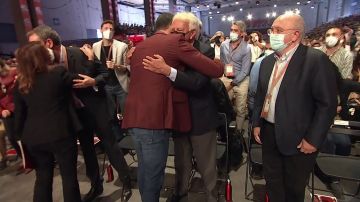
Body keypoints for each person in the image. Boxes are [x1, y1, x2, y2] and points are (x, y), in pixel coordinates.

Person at [122, 12, 223, 202]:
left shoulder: (205, 49)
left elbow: (197, 82)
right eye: (173, 30)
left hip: (199, 115)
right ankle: (180, 194)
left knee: (206, 165)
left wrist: (169, 71)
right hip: (174, 115)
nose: (175, 34)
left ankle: (212, 197)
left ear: (192, 33)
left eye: (179, 31)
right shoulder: (167, 45)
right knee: (179, 163)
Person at [27, 25, 132, 202]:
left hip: (96, 108)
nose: (30, 49)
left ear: (48, 42)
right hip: (73, 114)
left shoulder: (78, 53)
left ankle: (127, 179)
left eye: (33, 44)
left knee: (109, 144)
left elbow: (105, 73)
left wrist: (93, 81)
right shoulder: (42, 64)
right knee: (87, 150)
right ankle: (95, 185)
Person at [252, 14, 337, 202]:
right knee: (273, 185)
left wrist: (313, 139)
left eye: (278, 31)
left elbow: (327, 105)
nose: (272, 34)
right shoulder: (267, 62)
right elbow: (260, 97)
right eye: (271, 30)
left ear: (295, 35)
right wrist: (257, 123)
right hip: (269, 132)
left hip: (299, 139)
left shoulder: (315, 60)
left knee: (293, 190)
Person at [14, 42, 81, 202]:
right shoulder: (57, 73)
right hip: (61, 133)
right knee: (69, 177)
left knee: (43, 178)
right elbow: (79, 79)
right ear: (44, 56)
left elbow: (19, 114)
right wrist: (91, 60)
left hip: (34, 137)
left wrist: (18, 137)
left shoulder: (21, 83)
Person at [220, 21, 251, 134]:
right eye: (231, 29)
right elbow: (223, 62)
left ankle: (238, 133)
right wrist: (226, 76)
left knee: (241, 109)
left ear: (242, 33)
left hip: (241, 80)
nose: (232, 32)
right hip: (227, 77)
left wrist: (233, 83)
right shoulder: (224, 45)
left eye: (235, 30)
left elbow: (245, 70)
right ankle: (225, 132)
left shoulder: (246, 48)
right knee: (223, 105)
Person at [92, 20, 129, 113]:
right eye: (106, 28)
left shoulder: (122, 46)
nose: (109, 30)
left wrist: (116, 66)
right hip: (106, 84)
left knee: (126, 111)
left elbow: (127, 67)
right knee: (110, 113)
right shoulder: (95, 46)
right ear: (101, 30)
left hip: (120, 84)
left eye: (111, 29)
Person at [0, 59, 19, 170]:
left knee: (24, 135)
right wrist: (2, 111)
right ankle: (25, 158)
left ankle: (31, 159)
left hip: (19, 108)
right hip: (6, 112)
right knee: (12, 138)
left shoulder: (14, 72)